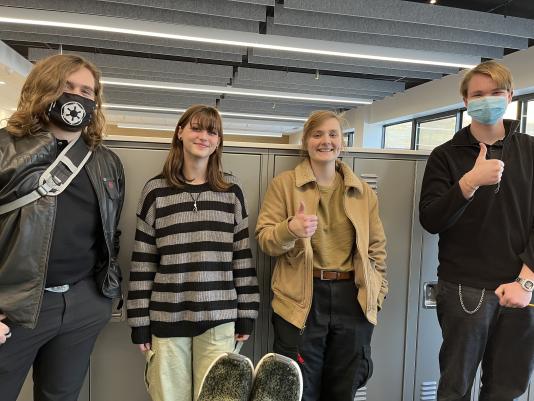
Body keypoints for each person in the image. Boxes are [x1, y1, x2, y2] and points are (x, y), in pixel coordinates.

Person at [0, 54, 125, 401]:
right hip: (13, 309)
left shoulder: (105, 161)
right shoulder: (4, 148)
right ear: (43, 88)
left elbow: (110, 233)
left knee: (62, 396)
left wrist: (103, 296)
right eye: (67, 86)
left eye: (87, 91)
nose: (77, 97)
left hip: (82, 304)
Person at [126, 104, 260, 401]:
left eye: (212, 131)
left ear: (218, 141)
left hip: (220, 318)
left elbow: (242, 258)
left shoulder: (231, 191)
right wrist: (139, 322)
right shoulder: (155, 192)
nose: (204, 136)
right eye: (196, 128)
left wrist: (247, 313)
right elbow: (143, 262)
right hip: (167, 319)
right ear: (180, 132)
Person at [419, 60, 534, 400]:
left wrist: (527, 280)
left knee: (506, 388)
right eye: (478, 94)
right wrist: (469, 183)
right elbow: (431, 219)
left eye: (496, 93)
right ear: (466, 101)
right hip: (463, 290)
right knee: (455, 387)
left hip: (520, 288)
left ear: (510, 95)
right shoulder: (445, 156)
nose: (488, 100)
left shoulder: (530, 151)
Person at [255, 110, 388, 401]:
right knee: (299, 388)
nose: (325, 141)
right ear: (306, 141)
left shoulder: (362, 191)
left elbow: (377, 248)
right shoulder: (285, 185)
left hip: (352, 297)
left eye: (332, 134)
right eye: (317, 134)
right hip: (302, 298)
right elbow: (266, 240)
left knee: (345, 387)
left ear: (342, 142)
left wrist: (376, 293)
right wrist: (290, 228)